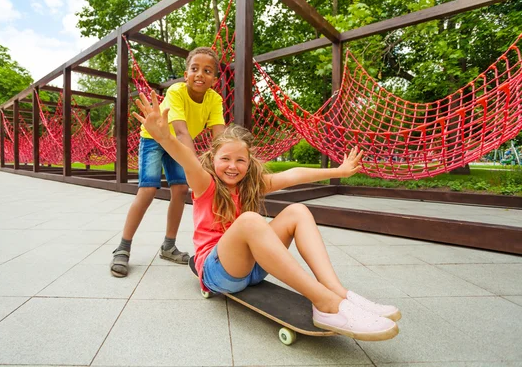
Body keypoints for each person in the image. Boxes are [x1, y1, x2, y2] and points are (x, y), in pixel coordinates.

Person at [132, 90, 401, 341]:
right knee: (249, 220)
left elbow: (294, 175)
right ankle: (326, 304)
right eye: (225, 159)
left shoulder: (252, 183)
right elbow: (186, 157)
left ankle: (336, 291)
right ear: (213, 158)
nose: (233, 166)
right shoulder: (205, 183)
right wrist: (164, 137)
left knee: (297, 211)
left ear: (249, 164)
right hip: (219, 273)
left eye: (241, 160)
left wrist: (338, 172)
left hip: (254, 269)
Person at [110, 47, 225, 277]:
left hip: (175, 144)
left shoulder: (214, 99)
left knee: (181, 189)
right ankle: (122, 247)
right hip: (154, 138)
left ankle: (168, 246)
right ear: (186, 74)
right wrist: (198, 169)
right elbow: (182, 132)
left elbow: (219, 137)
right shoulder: (176, 91)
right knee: (148, 189)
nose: (200, 74)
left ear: (215, 79)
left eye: (207, 70)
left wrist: (222, 166)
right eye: (195, 69)